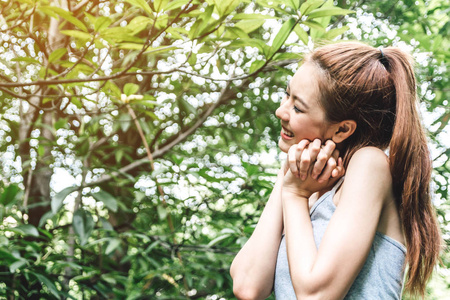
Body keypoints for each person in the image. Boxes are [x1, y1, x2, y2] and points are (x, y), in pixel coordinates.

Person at [230, 41, 441, 299]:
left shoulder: (370, 164)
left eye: (297, 107)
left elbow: (315, 295)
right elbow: (247, 286)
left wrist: (295, 196)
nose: (280, 111)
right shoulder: (304, 183)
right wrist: (288, 179)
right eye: (287, 95)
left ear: (342, 129)